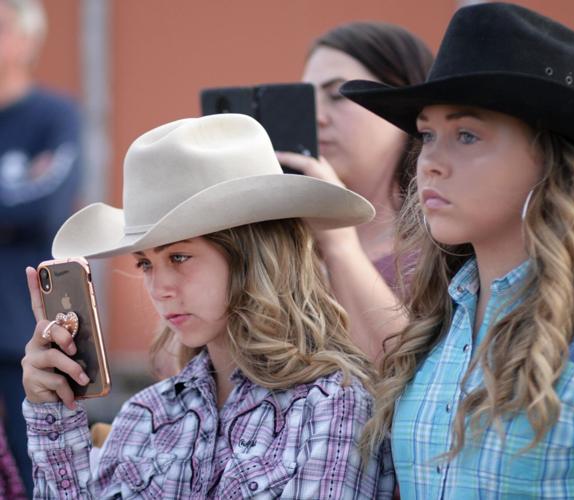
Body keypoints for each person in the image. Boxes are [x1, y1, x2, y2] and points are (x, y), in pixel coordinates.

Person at [20, 113, 394, 498]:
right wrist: (54, 416)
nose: (159, 288)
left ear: (254, 257)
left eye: (179, 257)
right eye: (145, 263)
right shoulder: (147, 415)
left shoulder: (332, 407)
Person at [341, 2, 574, 498]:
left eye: (467, 135)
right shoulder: (438, 331)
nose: (430, 163)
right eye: (427, 135)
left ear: (552, 161)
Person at [275, 22, 433, 361]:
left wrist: (339, 243)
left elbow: (407, 374)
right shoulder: (289, 238)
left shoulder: (444, 245)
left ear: (401, 105)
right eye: (307, 98)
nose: (316, 116)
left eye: (337, 95)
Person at [0, 0, 81, 494]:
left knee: (33, 475)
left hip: (22, 334)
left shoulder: (56, 115)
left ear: (28, 41)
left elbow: (47, 205)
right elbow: (19, 205)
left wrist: (21, 205)